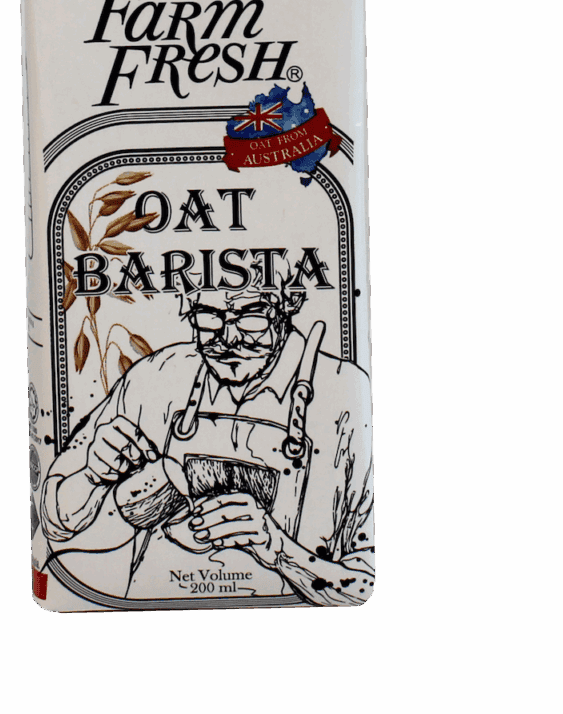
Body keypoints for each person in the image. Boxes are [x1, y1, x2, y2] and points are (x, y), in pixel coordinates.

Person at [41, 258, 374, 606]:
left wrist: (277, 549)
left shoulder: (346, 397)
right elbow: (53, 523)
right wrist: (92, 477)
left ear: (288, 306)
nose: (228, 339)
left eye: (251, 318)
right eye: (208, 318)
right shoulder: (157, 375)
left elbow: (365, 586)